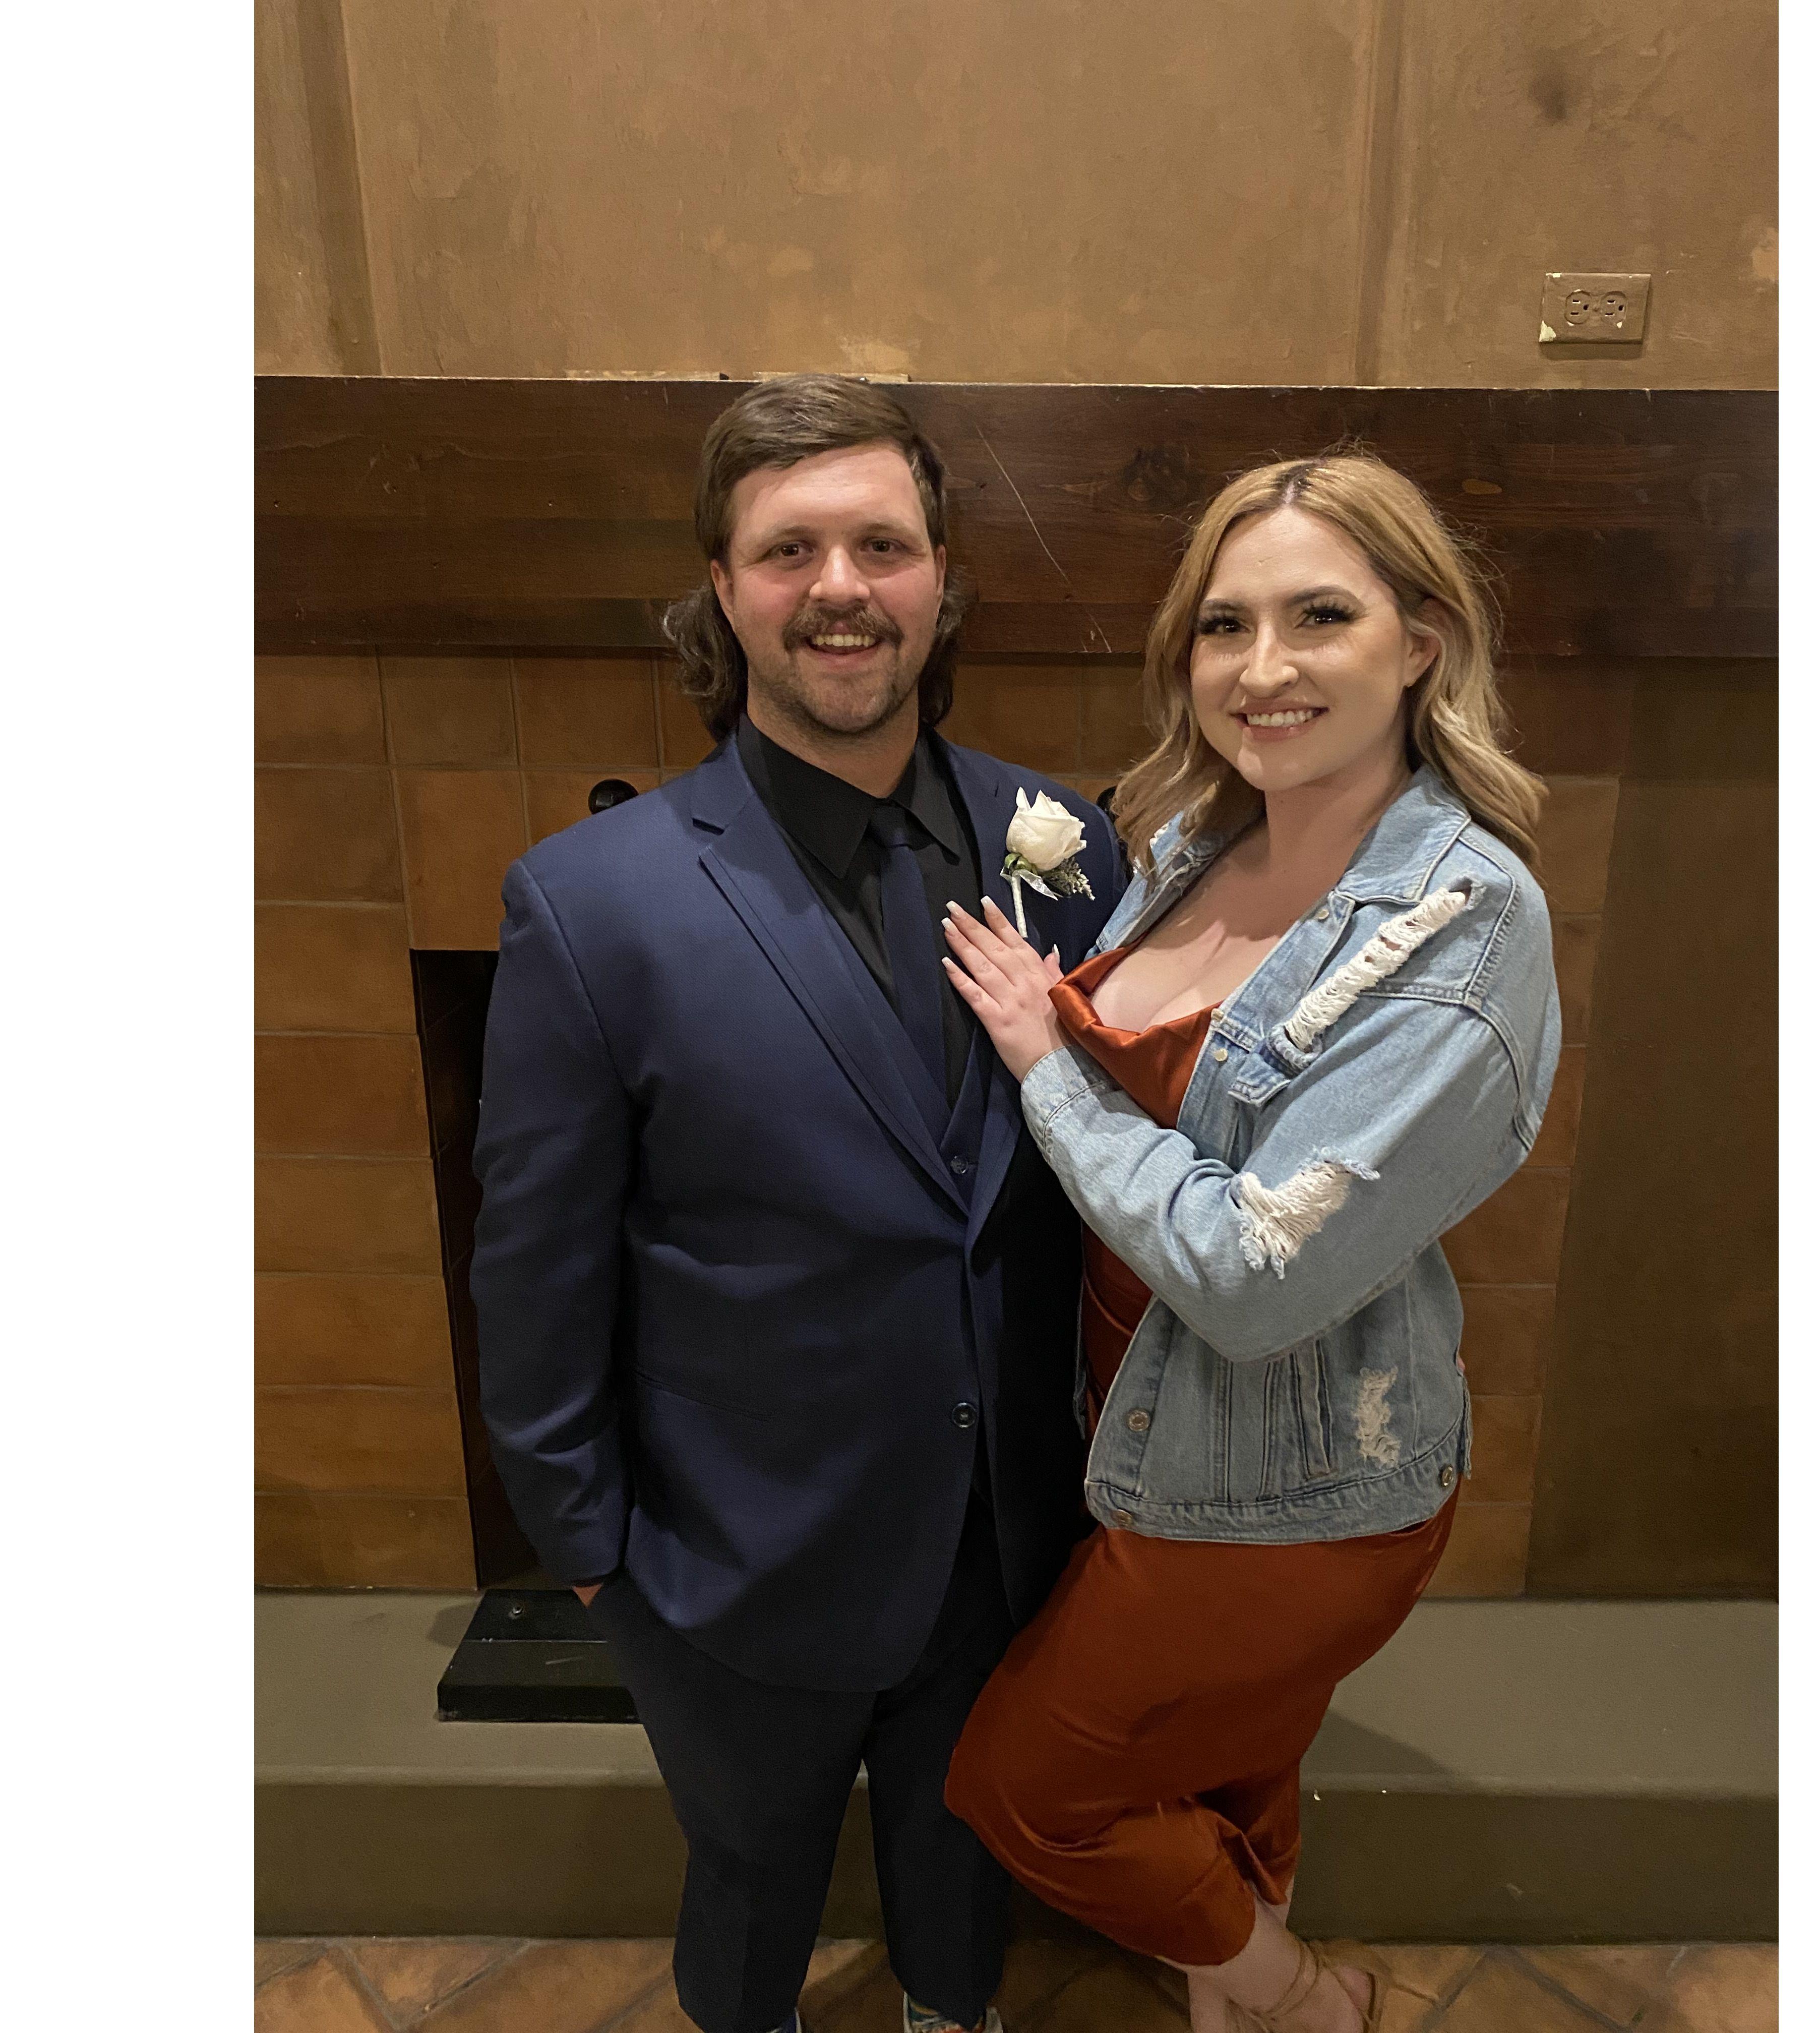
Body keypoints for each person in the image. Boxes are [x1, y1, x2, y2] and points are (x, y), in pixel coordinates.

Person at [471, 374, 1125, 2033]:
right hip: (730, 1559)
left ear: (941, 579)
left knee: (964, 1862)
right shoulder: (589, 905)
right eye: (790, 550)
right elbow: (538, 1264)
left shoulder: (1072, 852)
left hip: (1008, 1540)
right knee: (753, 1871)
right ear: (724, 587)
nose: (842, 586)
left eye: (882, 545)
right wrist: (592, 1553)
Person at [939, 451, 1559, 2033]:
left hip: (1291, 1487)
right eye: (1226, 626)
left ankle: (1298, 1994)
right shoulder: (1195, 838)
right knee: (1229, 1750)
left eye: (1320, 616)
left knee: (1025, 1787)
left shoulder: (1466, 922)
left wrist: (1042, 1065)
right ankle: (1233, 1975)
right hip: (1135, 1419)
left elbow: (1253, 1274)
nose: (1263, 667)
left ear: (1422, 641)